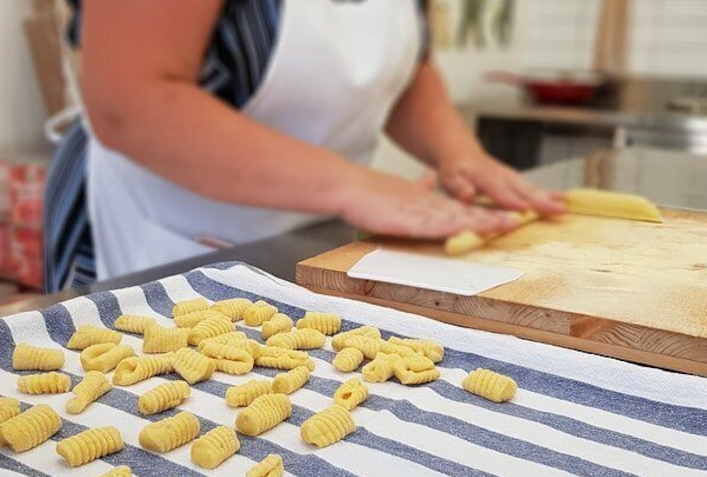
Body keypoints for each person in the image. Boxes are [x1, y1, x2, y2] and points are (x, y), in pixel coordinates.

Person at [48, 0, 564, 288]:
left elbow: (401, 64)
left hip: (316, 240)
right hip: (160, 235)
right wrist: (352, 185)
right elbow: (131, 100)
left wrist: (459, 153)